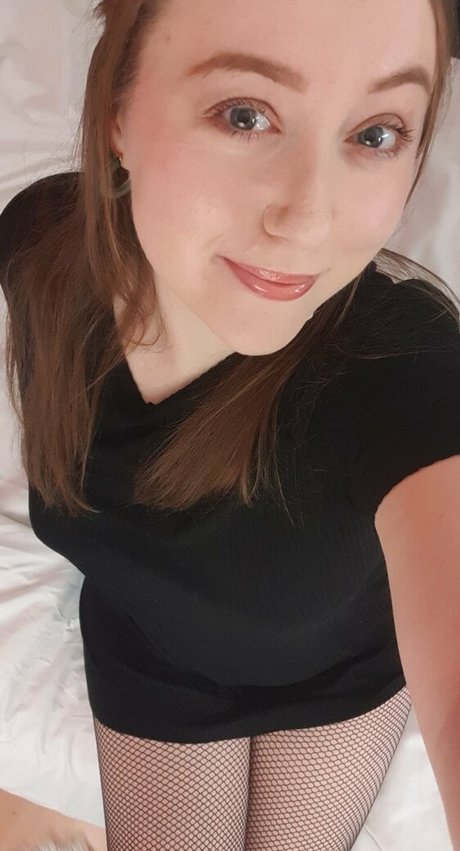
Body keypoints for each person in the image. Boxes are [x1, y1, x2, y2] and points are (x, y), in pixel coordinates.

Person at [1, 0, 459, 849]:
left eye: (376, 133)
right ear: (116, 112)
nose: (308, 219)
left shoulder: (406, 363)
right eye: (245, 114)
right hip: (152, 659)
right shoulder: (41, 247)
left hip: (336, 683)